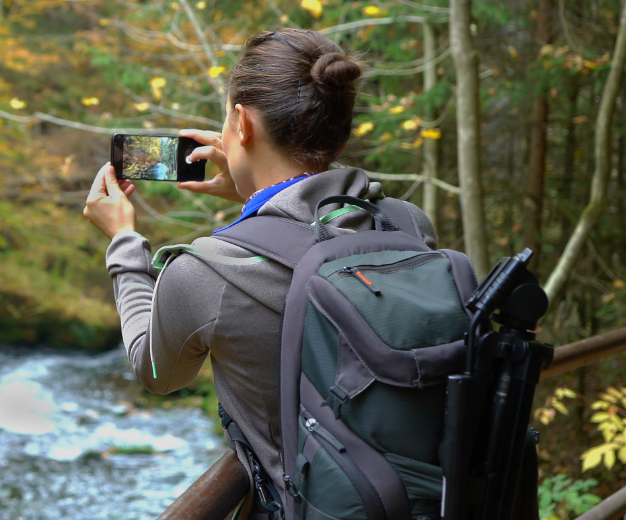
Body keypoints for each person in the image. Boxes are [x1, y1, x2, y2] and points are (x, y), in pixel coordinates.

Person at [83, 28, 436, 519]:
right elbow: (327, 234)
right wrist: (258, 198)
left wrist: (123, 242)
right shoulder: (406, 223)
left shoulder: (208, 270)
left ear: (241, 123)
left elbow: (156, 371)